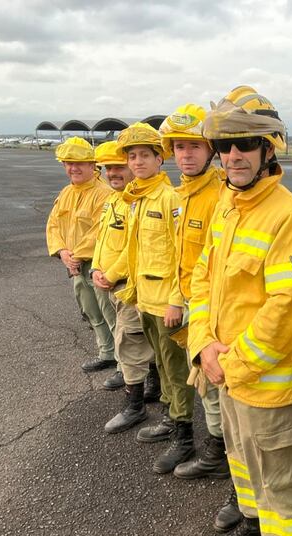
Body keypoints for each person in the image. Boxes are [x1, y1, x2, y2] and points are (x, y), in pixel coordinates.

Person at [188, 86, 292, 536]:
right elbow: (203, 278)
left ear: (268, 149)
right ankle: (251, 524)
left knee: (281, 492)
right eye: (225, 146)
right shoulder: (227, 205)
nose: (233, 156)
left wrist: (232, 365)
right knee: (242, 465)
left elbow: (288, 311)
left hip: (266, 389)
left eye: (245, 144)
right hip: (226, 377)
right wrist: (203, 345)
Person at [137, 103, 229, 479]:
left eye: (194, 146)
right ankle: (202, 444)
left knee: (214, 385)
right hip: (190, 303)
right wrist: (176, 298)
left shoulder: (220, 195)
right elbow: (180, 257)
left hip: (214, 308)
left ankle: (219, 453)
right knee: (200, 383)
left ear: (210, 150)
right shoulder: (182, 195)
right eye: (179, 147)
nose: (186, 154)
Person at [106, 123, 193, 467]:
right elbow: (133, 250)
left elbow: (181, 255)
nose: (137, 162)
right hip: (144, 298)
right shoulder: (136, 199)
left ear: (160, 159)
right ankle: (171, 419)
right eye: (132, 156)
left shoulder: (170, 198)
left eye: (145, 155)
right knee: (161, 364)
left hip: (166, 303)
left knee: (175, 369)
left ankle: (184, 437)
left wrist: (176, 300)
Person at [90, 141, 159, 433]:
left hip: (130, 286)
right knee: (139, 342)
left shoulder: (137, 202)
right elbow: (103, 240)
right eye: (108, 168)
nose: (113, 173)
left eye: (119, 166)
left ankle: (135, 406)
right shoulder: (115, 200)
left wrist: (111, 274)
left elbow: (137, 247)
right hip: (111, 283)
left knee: (128, 344)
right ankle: (153, 386)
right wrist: (95, 267)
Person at [46, 137, 117, 373]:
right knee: (91, 311)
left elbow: (101, 230)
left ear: (92, 165)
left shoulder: (104, 193)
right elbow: (53, 225)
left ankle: (125, 364)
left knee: (111, 312)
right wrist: (62, 251)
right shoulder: (66, 192)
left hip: (99, 264)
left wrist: (76, 255)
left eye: (79, 163)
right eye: (68, 163)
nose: (73, 168)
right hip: (75, 265)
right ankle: (107, 353)